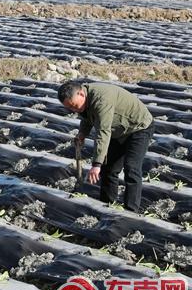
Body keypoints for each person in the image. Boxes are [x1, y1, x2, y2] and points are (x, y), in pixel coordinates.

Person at [58, 80, 154, 212]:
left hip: (138, 127)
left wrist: (96, 164)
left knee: (131, 168)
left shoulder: (101, 99)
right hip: (118, 130)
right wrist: (82, 133)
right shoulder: (82, 100)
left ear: (81, 93)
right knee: (109, 169)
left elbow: (103, 132)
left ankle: (131, 212)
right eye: (70, 108)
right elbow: (87, 116)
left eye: (75, 106)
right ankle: (106, 207)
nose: (75, 110)